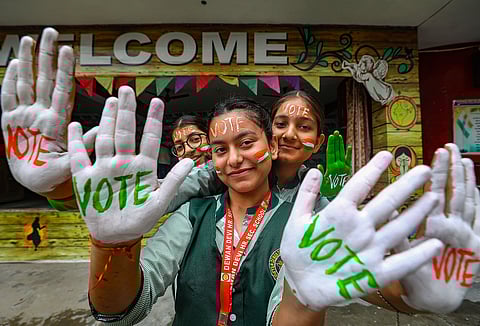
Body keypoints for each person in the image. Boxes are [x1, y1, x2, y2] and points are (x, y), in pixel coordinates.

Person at [3, 27, 480, 325]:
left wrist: (415, 297)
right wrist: (104, 236)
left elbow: (362, 277)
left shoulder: (307, 218)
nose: (233, 159)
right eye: (219, 149)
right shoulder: (194, 205)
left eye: (247, 143)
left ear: (272, 147)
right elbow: (116, 311)